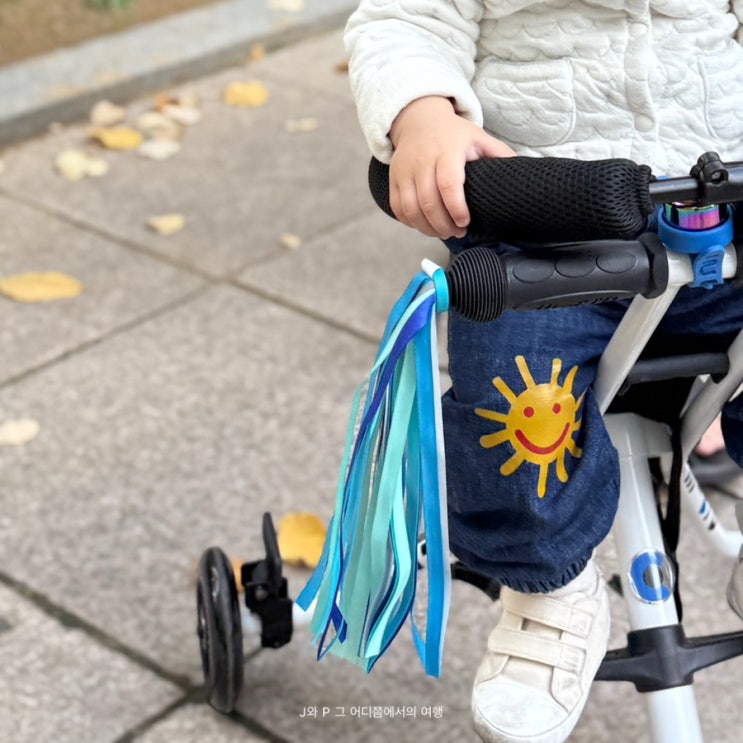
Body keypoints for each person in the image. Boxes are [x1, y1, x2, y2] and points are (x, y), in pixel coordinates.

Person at [343, 3, 743, 742]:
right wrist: (423, 115)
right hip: (544, 224)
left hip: (718, 209)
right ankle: (545, 587)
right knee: (514, 389)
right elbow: (407, 19)